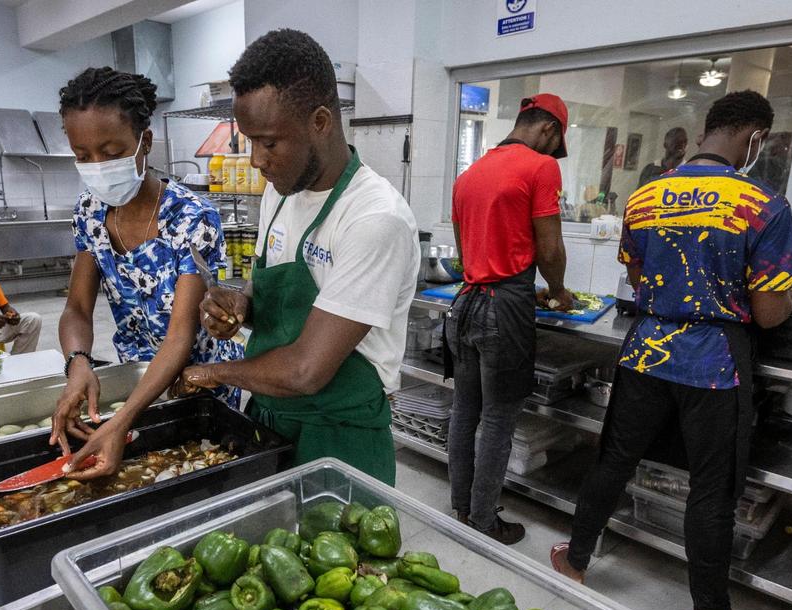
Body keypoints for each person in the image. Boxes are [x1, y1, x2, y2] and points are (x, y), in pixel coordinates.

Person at [551, 90, 792, 610]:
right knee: (714, 489)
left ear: (704, 133)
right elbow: (769, 313)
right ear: (754, 140)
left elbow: (639, 272)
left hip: (645, 350)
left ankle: (574, 559)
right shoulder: (763, 204)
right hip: (714, 363)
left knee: (614, 459)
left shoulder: (646, 196)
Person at [179, 30, 419, 485]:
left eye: (269, 142)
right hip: (271, 417)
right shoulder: (281, 194)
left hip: (339, 434)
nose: (255, 160)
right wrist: (239, 306)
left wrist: (211, 372)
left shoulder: (373, 217)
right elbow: (273, 290)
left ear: (322, 121)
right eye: (248, 141)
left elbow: (308, 369)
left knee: (344, 555)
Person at [51, 67, 242, 478]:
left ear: (146, 142)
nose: (98, 166)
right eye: (84, 157)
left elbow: (180, 337)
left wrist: (121, 422)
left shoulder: (191, 219)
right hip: (137, 380)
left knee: (201, 478)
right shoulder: (90, 211)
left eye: (113, 152)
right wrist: (78, 362)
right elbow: (77, 310)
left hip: (198, 386)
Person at [446, 94, 574, 545]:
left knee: (465, 412)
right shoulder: (541, 167)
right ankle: (484, 521)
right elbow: (550, 248)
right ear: (548, 130)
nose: (553, 154)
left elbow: (467, 257)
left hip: (465, 305)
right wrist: (558, 292)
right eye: (555, 144)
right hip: (505, 308)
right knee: (499, 419)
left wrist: (506, 273)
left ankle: (461, 507)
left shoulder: (468, 175)